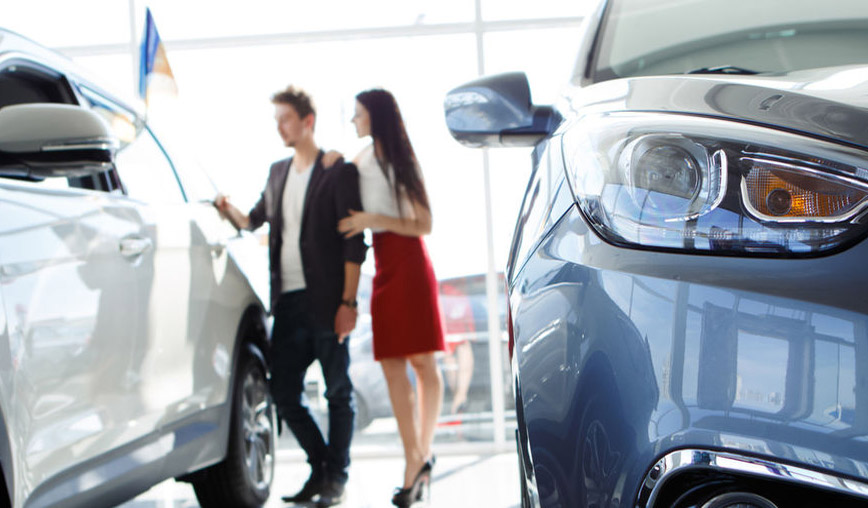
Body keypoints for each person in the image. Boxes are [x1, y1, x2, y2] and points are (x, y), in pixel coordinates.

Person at [214, 85, 366, 507]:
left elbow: (355, 243)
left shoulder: (337, 171)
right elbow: (253, 221)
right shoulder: (277, 172)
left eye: (285, 118)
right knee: (283, 391)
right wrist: (227, 210)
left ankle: (336, 477)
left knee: (338, 391)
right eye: (276, 119)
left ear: (307, 121)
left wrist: (348, 304)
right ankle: (322, 468)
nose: (279, 127)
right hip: (289, 303)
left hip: (328, 300)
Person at [337, 88, 445, 507]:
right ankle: (415, 457)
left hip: (411, 263)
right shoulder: (359, 161)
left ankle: (418, 457)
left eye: (358, 114)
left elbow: (425, 223)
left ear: (375, 117)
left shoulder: (403, 159)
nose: (353, 121)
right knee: (391, 364)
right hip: (382, 266)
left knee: (424, 362)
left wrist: (372, 219)